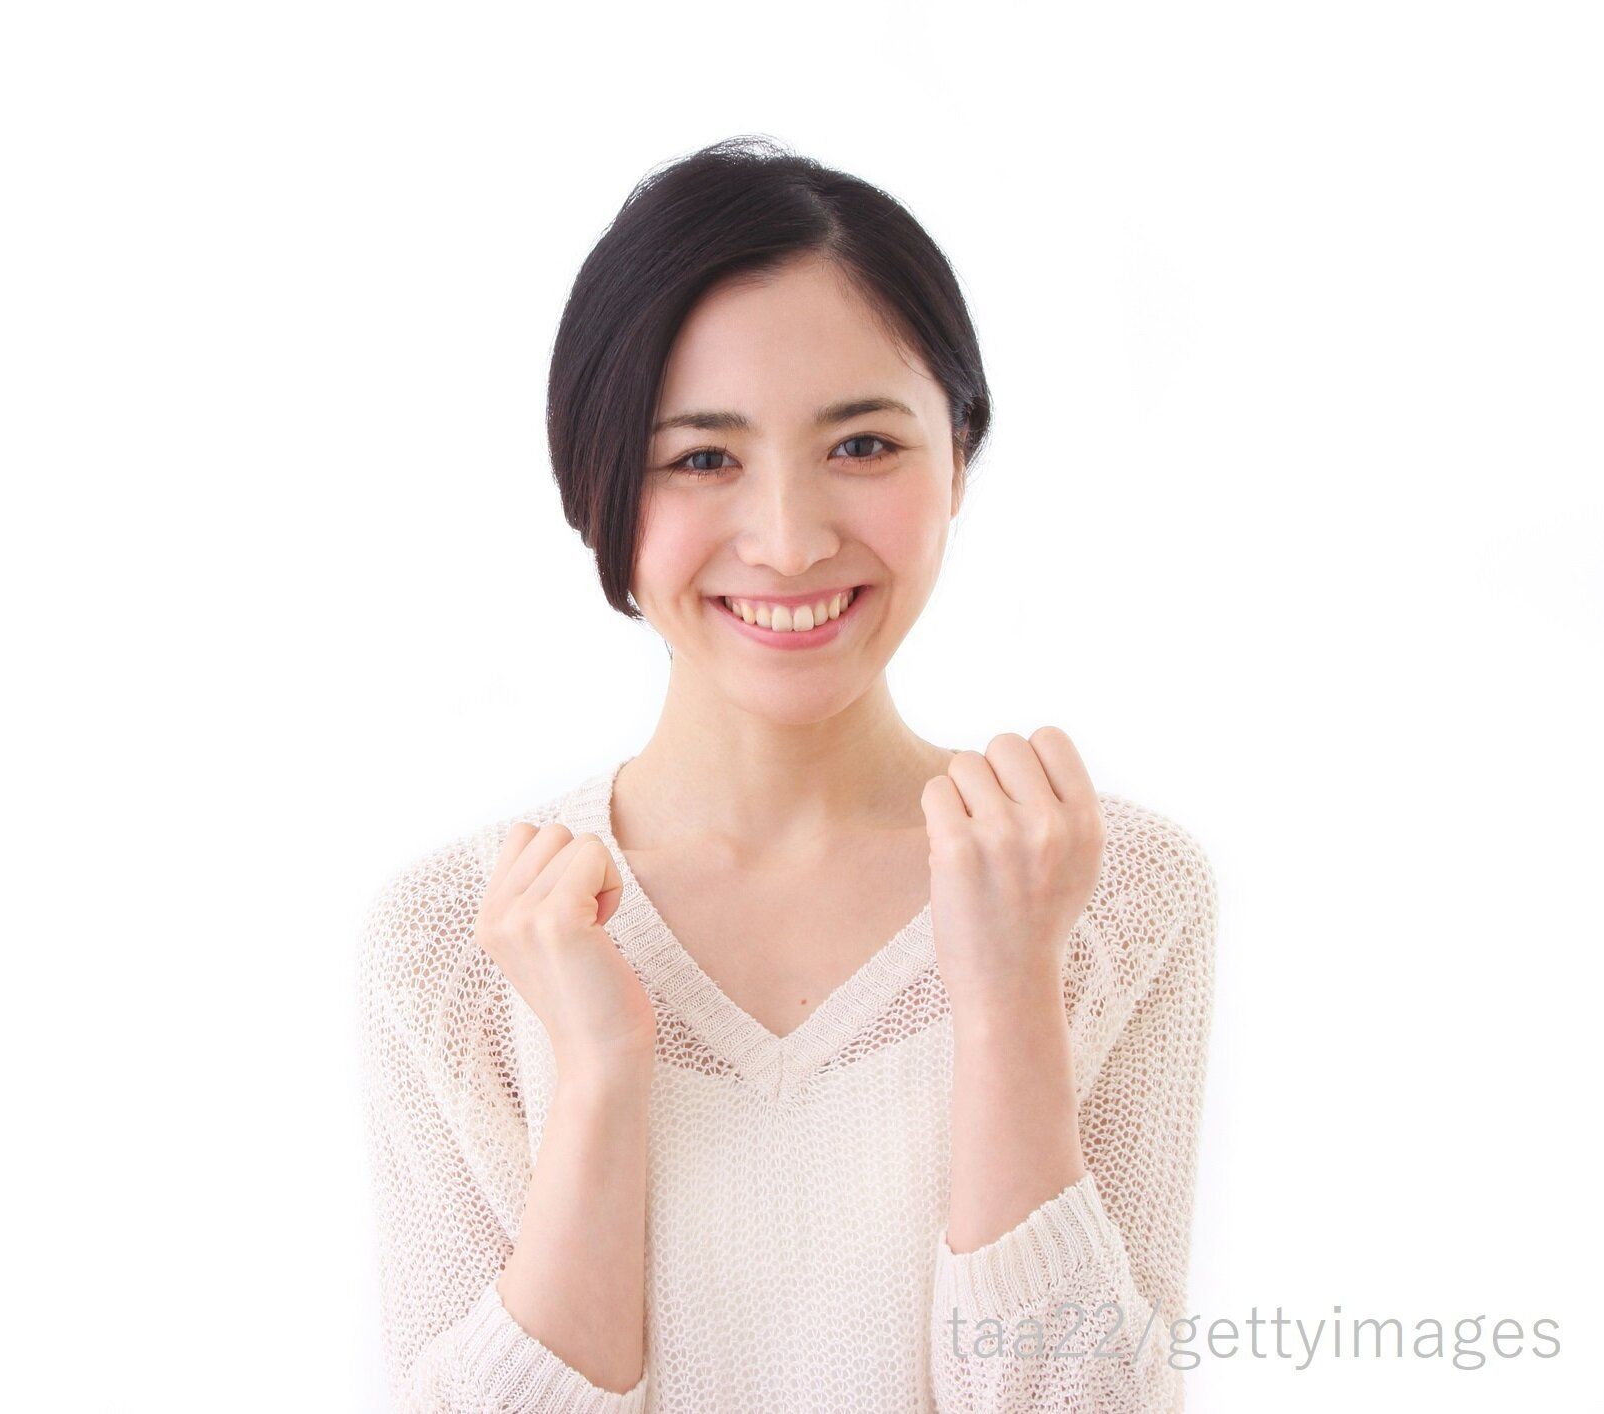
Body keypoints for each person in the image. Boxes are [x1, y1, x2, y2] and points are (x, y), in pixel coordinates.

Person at [355, 135, 1219, 1413]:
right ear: (598, 488)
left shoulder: (1104, 891)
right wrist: (598, 1079)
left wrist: (1007, 1001)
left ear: (959, 457)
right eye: (703, 458)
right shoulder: (457, 942)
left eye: (861, 445)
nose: (790, 540)